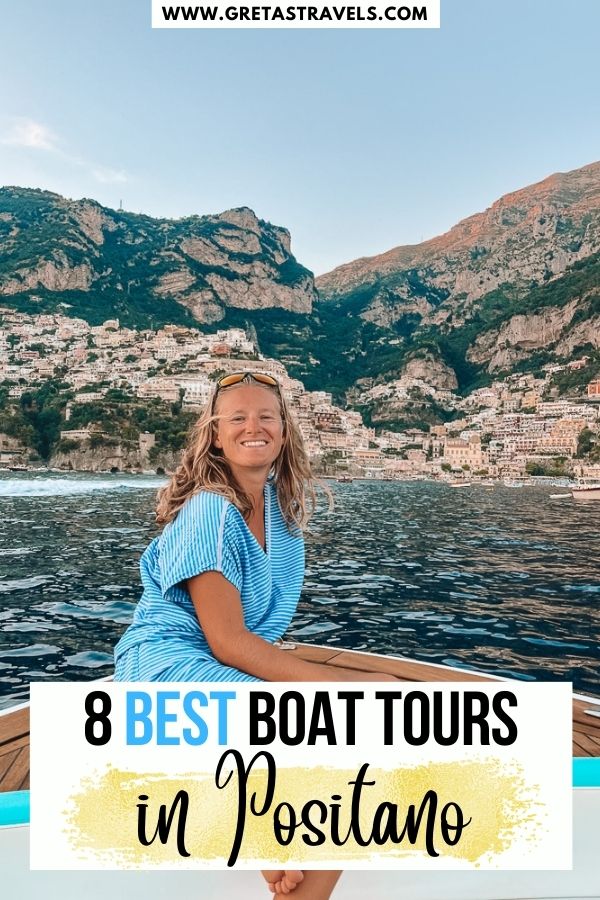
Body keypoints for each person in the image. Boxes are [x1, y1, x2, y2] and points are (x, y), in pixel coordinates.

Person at [114, 371, 394, 898]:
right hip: (164, 670)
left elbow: (247, 641)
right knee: (358, 731)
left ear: (284, 431)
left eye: (266, 416)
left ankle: (277, 836)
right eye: (237, 418)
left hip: (221, 668)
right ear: (216, 435)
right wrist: (348, 686)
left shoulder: (282, 522)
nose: (253, 426)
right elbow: (228, 641)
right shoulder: (210, 511)